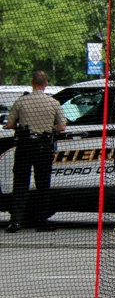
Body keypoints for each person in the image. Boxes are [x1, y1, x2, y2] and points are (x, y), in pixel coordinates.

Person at [4, 71, 66, 233]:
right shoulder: (53, 103)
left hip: (25, 146)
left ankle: (16, 221)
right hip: (44, 147)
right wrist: (48, 129)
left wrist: (21, 126)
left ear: (32, 82)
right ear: (46, 83)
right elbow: (62, 127)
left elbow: (10, 124)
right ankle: (42, 221)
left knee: (20, 183)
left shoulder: (22, 101)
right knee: (43, 184)